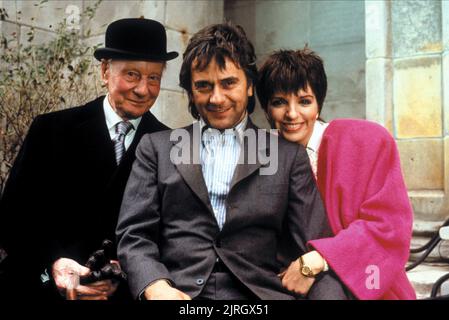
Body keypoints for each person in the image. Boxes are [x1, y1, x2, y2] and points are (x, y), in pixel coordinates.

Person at [116, 22, 349, 300]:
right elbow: (134, 235)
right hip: (179, 293)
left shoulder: (287, 156)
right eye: (203, 86)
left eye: (228, 83)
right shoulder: (155, 148)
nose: (216, 98)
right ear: (191, 91)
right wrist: (155, 285)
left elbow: (316, 243)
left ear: (250, 85)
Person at [0, 18, 178, 300]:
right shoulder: (51, 130)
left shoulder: (170, 146)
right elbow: (12, 217)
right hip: (39, 288)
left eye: (153, 78)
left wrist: (128, 273)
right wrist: (55, 263)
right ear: (105, 71)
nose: (143, 89)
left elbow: (174, 236)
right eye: (132, 74)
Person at [256, 48, 416, 300]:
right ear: (267, 109)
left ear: (318, 104)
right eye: (279, 102)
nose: (292, 114)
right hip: (288, 283)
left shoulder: (368, 141)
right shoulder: (262, 155)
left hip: (366, 282)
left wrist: (319, 258)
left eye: (304, 101)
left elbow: (389, 226)